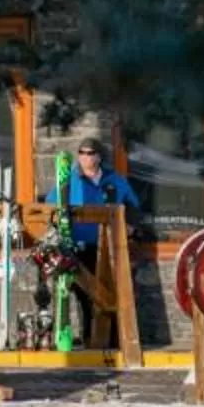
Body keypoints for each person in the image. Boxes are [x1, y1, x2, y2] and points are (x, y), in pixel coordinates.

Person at [52, 138, 139, 345]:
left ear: (99, 156)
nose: (85, 157)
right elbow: (51, 211)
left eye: (90, 153)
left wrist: (132, 227)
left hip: (110, 248)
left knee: (113, 295)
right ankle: (90, 338)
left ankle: (115, 341)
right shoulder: (68, 182)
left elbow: (134, 209)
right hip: (79, 247)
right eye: (82, 153)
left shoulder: (115, 181)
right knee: (84, 296)